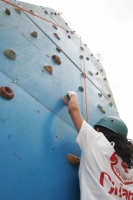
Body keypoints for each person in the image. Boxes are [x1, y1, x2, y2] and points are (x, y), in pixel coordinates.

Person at [67, 91, 133, 200]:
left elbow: (73, 110)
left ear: (99, 129)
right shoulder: (130, 169)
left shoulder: (96, 140)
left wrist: (73, 94)